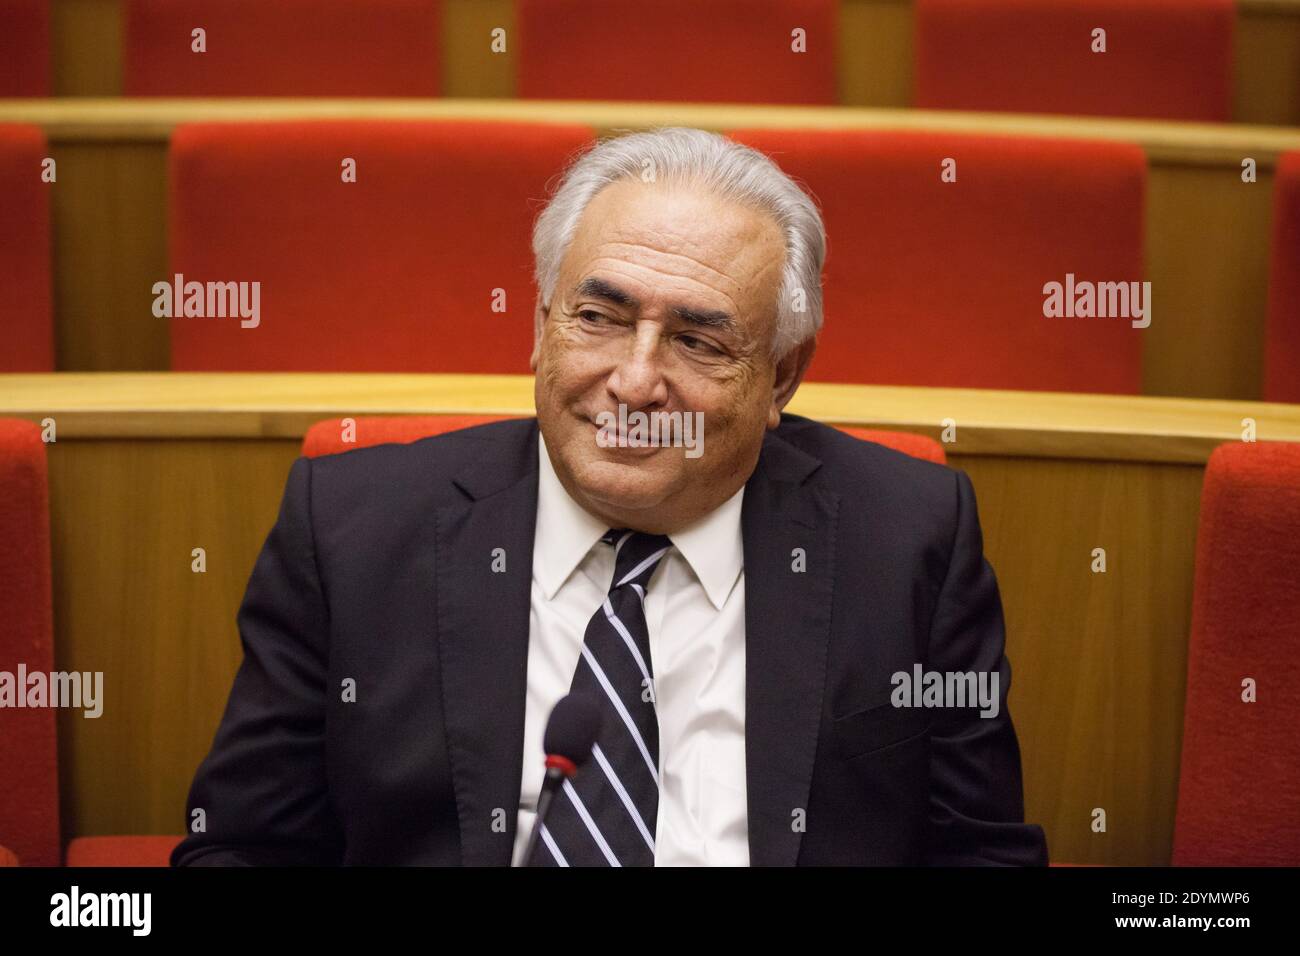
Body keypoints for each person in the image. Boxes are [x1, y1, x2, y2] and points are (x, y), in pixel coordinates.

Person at [171, 127, 1048, 866]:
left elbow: (982, 853)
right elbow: (239, 849)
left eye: (698, 341)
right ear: (539, 325)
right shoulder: (353, 531)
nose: (635, 382)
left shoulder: (909, 542)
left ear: (781, 377)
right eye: (598, 318)